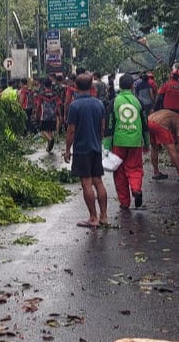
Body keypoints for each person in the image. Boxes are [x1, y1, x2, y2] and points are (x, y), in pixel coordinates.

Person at [64, 73, 108, 228]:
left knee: (87, 183)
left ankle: (93, 218)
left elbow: (71, 131)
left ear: (75, 87)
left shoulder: (75, 106)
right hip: (96, 147)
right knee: (98, 182)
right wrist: (98, 140)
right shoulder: (99, 104)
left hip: (82, 149)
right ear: (91, 87)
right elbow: (102, 127)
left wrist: (67, 149)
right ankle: (104, 216)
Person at [107, 74, 147, 210]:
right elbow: (145, 124)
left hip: (118, 142)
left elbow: (109, 125)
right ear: (132, 86)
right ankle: (136, 189)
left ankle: (124, 202)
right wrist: (146, 143)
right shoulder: (138, 101)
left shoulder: (114, 102)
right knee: (135, 168)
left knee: (119, 172)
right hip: (135, 141)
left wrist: (106, 146)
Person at [147, 110, 179, 180]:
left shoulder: (172, 115)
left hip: (148, 121)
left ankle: (156, 173)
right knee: (172, 150)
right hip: (159, 124)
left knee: (154, 148)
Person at [36, 77, 62, 152]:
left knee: (43, 130)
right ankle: (49, 147)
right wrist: (60, 115)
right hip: (53, 115)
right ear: (51, 85)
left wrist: (37, 115)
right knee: (50, 130)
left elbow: (38, 106)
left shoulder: (41, 94)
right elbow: (58, 105)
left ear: (44, 85)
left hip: (44, 115)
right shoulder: (55, 94)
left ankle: (50, 139)